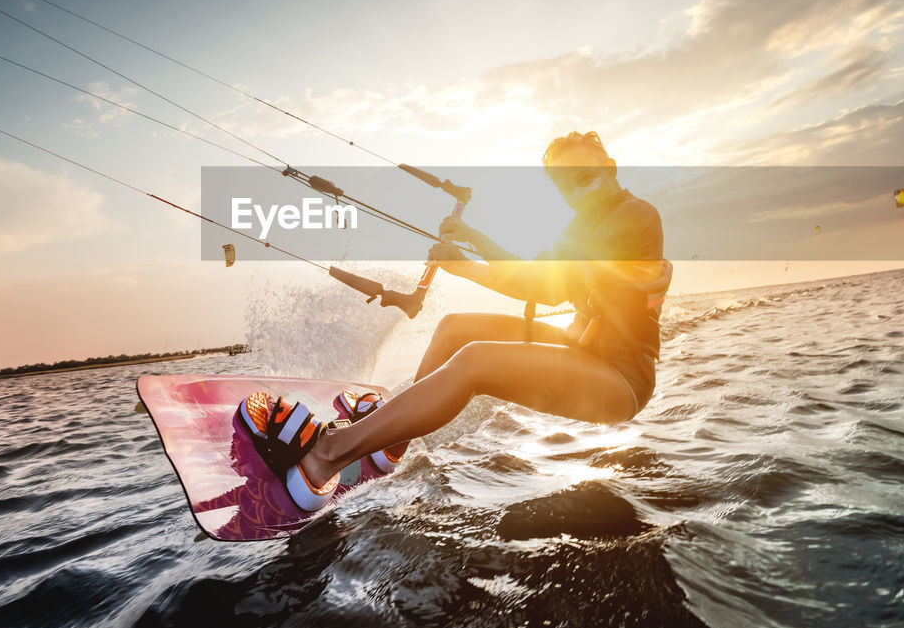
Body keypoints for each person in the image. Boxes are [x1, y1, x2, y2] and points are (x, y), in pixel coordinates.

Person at [239, 131, 671, 511]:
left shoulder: (636, 216)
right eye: (563, 183)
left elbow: (549, 287)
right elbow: (539, 268)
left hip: (620, 379)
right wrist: (475, 240)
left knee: (474, 362)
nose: (575, 187)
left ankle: (325, 457)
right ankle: (390, 443)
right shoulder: (583, 225)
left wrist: (464, 266)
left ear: (610, 167)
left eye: (584, 173)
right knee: (455, 328)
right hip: (580, 350)